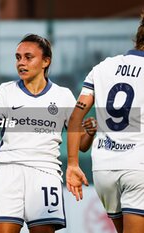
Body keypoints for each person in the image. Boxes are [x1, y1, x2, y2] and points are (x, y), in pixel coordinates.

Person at [0, 34, 96, 233]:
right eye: (18, 57)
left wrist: (90, 133)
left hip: (45, 172)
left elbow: (81, 144)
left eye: (28, 57)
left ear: (46, 61)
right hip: (8, 171)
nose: (21, 63)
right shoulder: (6, 91)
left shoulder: (62, 95)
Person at [66, 12, 144, 233]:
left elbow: (75, 118)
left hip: (104, 168)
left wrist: (72, 163)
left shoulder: (102, 68)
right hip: (138, 166)